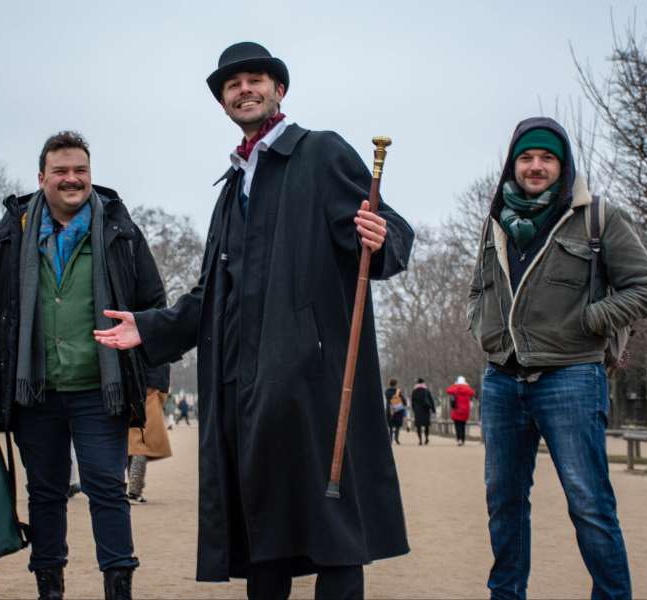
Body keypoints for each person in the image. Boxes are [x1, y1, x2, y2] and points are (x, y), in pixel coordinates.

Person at [94, 41, 414, 600]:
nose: (244, 89)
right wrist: (151, 327)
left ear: (278, 90)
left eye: (254, 79)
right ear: (223, 103)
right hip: (244, 391)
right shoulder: (230, 188)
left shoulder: (320, 154)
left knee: (333, 529)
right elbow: (212, 296)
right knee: (263, 531)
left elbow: (385, 227)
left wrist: (384, 237)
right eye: (232, 85)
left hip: (312, 383)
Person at [0, 131, 168, 600]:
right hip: (34, 390)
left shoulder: (121, 230)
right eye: (61, 171)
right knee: (46, 494)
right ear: (42, 177)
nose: (71, 179)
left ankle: (119, 589)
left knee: (106, 490)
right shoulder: (10, 232)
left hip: (101, 388)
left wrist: (154, 380)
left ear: (90, 175)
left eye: (80, 170)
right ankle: (49, 590)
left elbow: (152, 304)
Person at [467, 117, 647, 599]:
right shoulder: (496, 220)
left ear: (563, 164)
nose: (536, 166)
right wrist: (485, 328)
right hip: (501, 381)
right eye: (527, 157)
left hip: (572, 377)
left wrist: (591, 319)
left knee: (590, 505)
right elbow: (478, 289)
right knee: (504, 505)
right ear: (513, 164)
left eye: (547, 158)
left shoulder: (597, 216)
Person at [127, 386, 173, 504]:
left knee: (133, 447)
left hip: (132, 395)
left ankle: (133, 490)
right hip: (149, 395)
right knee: (140, 447)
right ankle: (134, 491)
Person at [445, 376, 474, 446]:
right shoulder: (467, 389)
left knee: (457, 426)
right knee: (463, 425)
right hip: (465, 410)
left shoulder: (455, 388)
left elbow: (448, 390)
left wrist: (455, 385)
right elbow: (472, 392)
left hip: (456, 409)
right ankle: (463, 439)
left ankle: (459, 439)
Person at [410, 378, 435, 445]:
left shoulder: (414, 391)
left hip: (417, 410)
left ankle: (420, 440)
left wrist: (414, 409)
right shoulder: (426, 390)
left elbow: (412, 401)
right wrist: (433, 409)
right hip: (425, 410)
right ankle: (426, 438)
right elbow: (431, 400)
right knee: (426, 425)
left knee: (418, 426)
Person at [384, 378, 406, 444]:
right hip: (398, 410)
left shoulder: (387, 391)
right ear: (396, 384)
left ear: (389, 384)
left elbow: (388, 399)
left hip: (390, 410)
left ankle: (390, 439)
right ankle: (396, 438)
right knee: (397, 426)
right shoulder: (398, 391)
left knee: (390, 426)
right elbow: (403, 400)